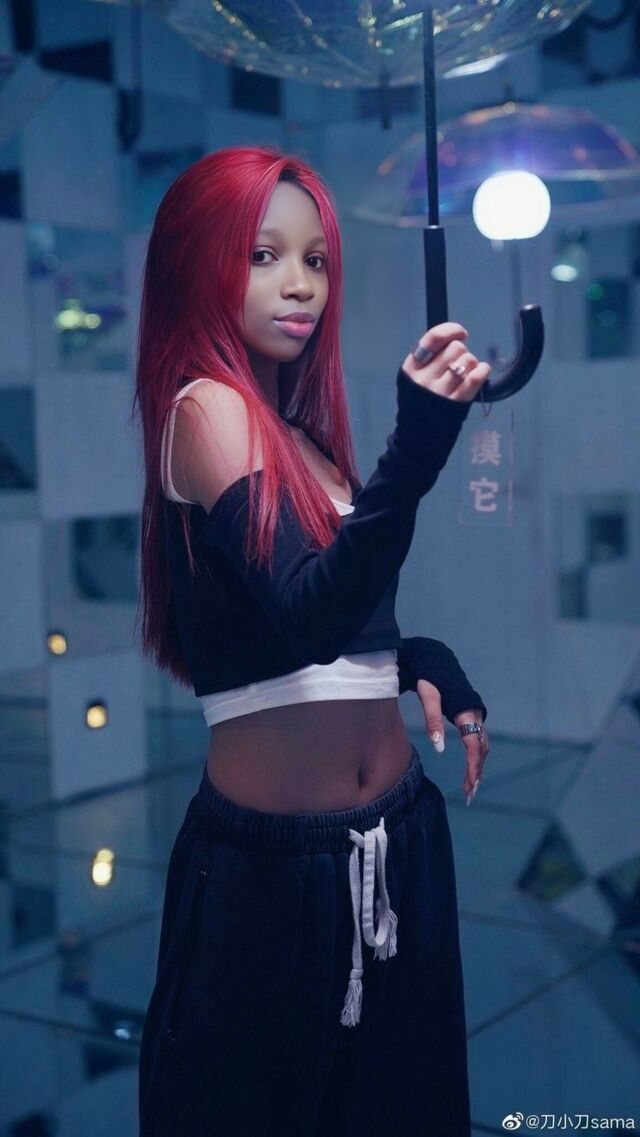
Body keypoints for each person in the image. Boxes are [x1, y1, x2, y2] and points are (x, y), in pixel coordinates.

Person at [134, 145, 491, 1137]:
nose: (299, 285)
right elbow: (306, 613)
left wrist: (416, 659)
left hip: (402, 835)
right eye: (263, 255)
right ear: (198, 263)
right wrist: (417, 445)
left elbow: (332, 630)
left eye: (316, 260)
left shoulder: (303, 436)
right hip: (274, 874)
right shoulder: (204, 409)